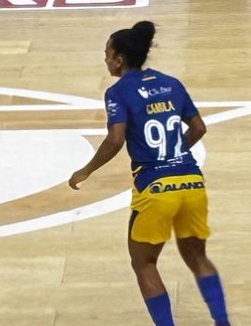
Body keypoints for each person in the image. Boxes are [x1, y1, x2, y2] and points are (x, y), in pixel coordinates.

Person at [68, 21, 232, 326]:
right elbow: (199, 128)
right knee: (198, 259)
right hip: (192, 182)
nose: (105, 60)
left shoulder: (118, 92)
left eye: (107, 54)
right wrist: (172, 152)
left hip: (155, 188)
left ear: (118, 59)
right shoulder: (172, 83)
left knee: (144, 263)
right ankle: (223, 322)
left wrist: (86, 170)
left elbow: (116, 139)